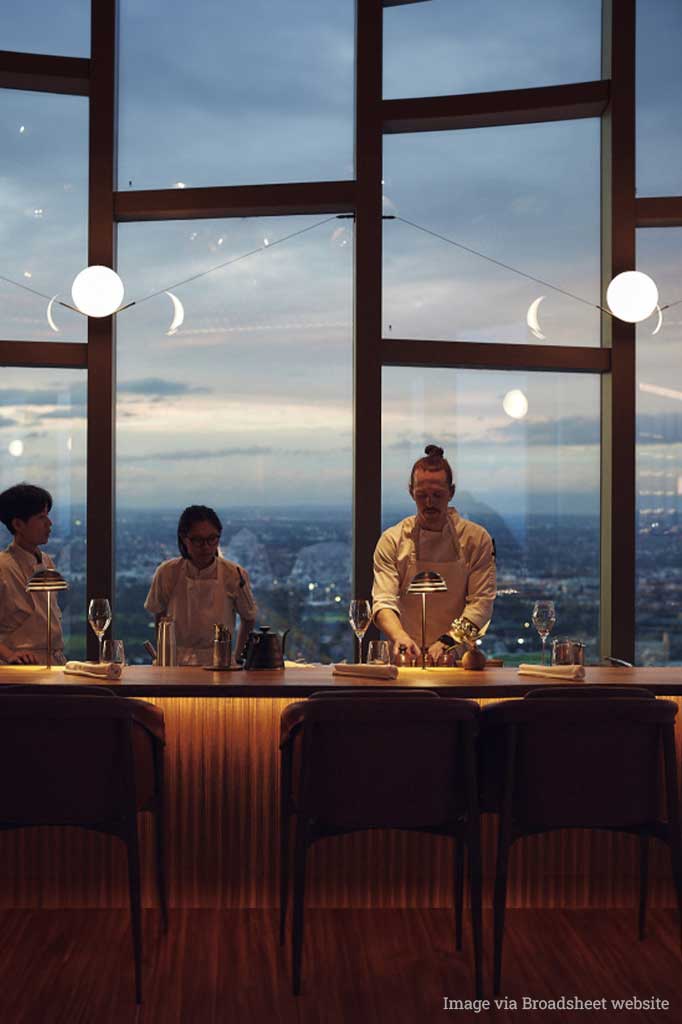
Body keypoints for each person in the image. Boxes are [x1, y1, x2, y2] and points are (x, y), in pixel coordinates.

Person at [372, 445, 496, 664]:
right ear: (411, 492)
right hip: (405, 661)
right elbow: (383, 601)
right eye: (422, 495)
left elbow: (481, 604)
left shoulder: (476, 540)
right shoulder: (392, 540)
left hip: (455, 659)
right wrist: (399, 636)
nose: (429, 503)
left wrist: (448, 642)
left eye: (437, 495)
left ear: (452, 492)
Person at [145, 504, 257, 666]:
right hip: (175, 663)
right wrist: (164, 655)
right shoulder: (167, 572)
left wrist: (237, 657)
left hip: (220, 663)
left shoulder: (234, 574)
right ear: (184, 538)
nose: (206, 546)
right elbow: (159, 616)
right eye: (198, 540)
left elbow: (249, 618)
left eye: (212, 539)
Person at [0, 482, 65, 665]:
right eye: (41, 517)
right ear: (18, 524)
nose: (49, 523)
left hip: (54, 663)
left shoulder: (46, 561)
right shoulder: (2, 566)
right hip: (20, 669)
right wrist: (8, 654)